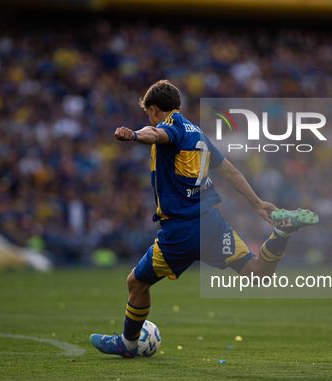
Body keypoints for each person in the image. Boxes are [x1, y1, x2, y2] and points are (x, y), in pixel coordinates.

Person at [90, 80, 318, 357]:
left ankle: (127, 343)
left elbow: (156, 134)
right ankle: (280, 234)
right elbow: (231, 171)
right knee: (258, 273)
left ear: (153, 110)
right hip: (211, 222)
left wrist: (135, 135)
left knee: (136, 283)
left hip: (181, 231)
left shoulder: (169, 126)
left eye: (148, 114)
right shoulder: (197, 133)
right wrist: (258, 205)